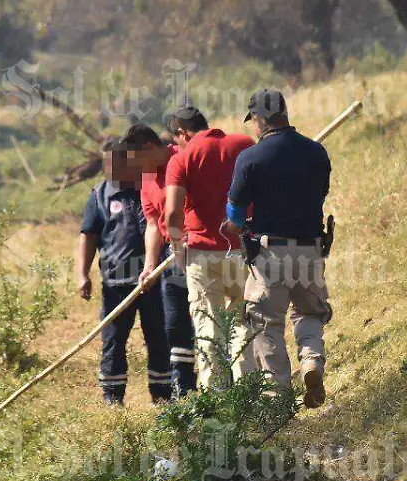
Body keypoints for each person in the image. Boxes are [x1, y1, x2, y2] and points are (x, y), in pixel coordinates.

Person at [223, 89, 332, 408]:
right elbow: (321, 194)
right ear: (284, 111)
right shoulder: (316, 152)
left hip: (270, 254)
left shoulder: (250, 158)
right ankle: (312, 361)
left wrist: (233, 225)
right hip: (311, 249)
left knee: (265, 324)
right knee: (310, 312)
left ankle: (278, 398)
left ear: (258, 118)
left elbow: (236, 213)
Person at [163, 105, 256, 390]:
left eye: (175, 138)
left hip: (203, 255)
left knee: (209, 328)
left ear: (182, 132)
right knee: (245, 325)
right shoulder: (244, 144)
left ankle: (216, 397)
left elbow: (172, 214)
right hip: (244, 250)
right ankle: (247, 393)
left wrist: (178, 249)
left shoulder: (182, 159)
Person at [76, 138, 172, 405]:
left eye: (114, 162)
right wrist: (82, 274)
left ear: (129, 161)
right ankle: (113, 399)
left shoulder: (152, 186)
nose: (108, 168)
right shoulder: (99, 195)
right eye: (105, 163)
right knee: (113, 342)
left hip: (155, 281)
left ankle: (163, 398)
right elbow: (88, 236)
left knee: (159, 339)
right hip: (116, 284)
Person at [120, 123, 197, 398]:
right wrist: (149, 266)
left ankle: (223, 385)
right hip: (171, 256)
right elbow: (153, 224)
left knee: (207, 317)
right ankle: (184, 390)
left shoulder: (185, 157)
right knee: (175, 324)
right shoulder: (147, 179)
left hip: (201, 248)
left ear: (150, 148)